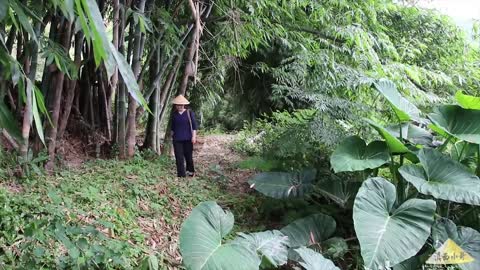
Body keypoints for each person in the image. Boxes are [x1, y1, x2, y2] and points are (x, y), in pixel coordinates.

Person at [171, 95, 197, 177]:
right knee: (179, 157)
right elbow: (173, 128)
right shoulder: (174, 114)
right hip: (177, 139)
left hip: (188, 139)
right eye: (178, 105)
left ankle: (190, 171)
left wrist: (194, 136)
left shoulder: (189, 113)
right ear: (176, 105)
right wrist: (172, 139)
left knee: (188, 156)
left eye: (181, 105)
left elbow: (194, 126)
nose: (180, 106)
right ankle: (181, 174)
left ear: (184, 105)